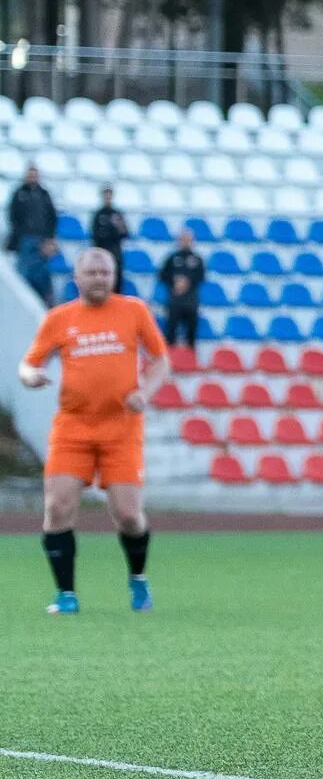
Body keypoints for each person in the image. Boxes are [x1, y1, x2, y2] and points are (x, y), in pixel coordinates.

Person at [19, 248, 169, 616]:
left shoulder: (134, 311)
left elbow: (160, 360)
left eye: (105, 272)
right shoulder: (59, 318)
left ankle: (137, 579)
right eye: (92, 272)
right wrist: (31, 377)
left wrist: (144, 392)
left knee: (129, 515)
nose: (99, 278)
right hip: (73, 427)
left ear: (114, 275)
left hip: (121, 428)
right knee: (58, 508)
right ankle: (66, 595)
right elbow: (28, 363)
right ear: (77, 277)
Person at [8, 165, 58, 294]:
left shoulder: (44, 194)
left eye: (34, 175)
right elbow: (13, 217)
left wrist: (50, 238)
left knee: (42, 274)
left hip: (42, 240)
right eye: (30, 175)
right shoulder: (19, 194)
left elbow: (52, 217)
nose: (32, 177)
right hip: (25, 239)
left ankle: (43, 300)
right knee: (24, 273)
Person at [158, 228, 206, 349]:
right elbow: (162, 275)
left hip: (191, 301)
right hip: (174, 300)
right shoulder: (172, 258)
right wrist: (174, 282)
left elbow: (201, 276)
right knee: (171, 332)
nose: (185, 242)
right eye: (183, 239)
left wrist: (187, 283)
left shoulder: (197, 259)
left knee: (191, 334)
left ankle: (190, 360)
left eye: (187, 239)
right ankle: (170, 360)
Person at [91, 186, 130, 292]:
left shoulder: (117, 214)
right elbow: (94, 235)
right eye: (105, 195)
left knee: (116, 281)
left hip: (115, 253)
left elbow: (126, 234)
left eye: (109, 195)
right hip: (101, 252)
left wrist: (118, 227)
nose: (107, 197)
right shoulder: (98, 215)